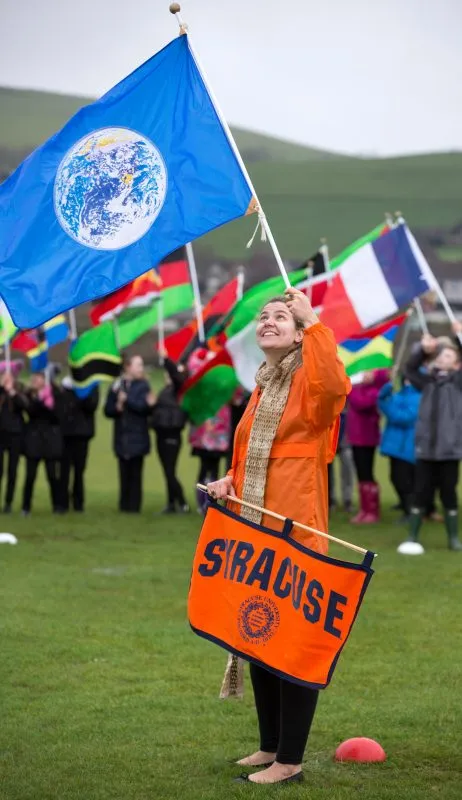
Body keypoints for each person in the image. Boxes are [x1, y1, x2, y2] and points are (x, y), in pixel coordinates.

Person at [206, 288, 350, 785]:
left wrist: (315, 323)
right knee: (259, 637)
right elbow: (251, 459)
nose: (268, 321)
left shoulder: (310, 384)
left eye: (280, 317)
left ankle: (290, 761)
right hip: (255, 534)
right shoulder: (264, 385)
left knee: (293, 648)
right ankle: (269, 746)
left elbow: (335, 386)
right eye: (264, 316)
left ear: (297, 333)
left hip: (296, 536)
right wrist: (230, 480)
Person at [404, 326, 462, 550]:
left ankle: (453, 538)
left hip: (450, 450)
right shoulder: (425, 381)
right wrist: (423, 351)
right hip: (425, 449)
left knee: (449, 492)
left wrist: (458, 336)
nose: (443, 357)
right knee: (420, 492)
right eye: (440, 354)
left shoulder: (457, 382)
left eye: (448, 355)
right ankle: (413, 535)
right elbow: (409, 368)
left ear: (456, 363)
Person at [104, 355, 154, 513]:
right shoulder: (116, 385)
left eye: (141, 365)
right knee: (123, 473)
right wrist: (117, 406)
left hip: (138, 437)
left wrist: (127, 400)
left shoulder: (144, 386)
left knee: (135, 475)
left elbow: (144, 408)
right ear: (127, 367)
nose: (141, 368)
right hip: (121, 438)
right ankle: (123, 506)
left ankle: (134, 507)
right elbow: (107, 410)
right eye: (138, 365)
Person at [187, 348, 232, 513]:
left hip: (218, 434)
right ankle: (203, 503)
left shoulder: (222, 383)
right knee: (206, 468)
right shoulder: (201, 383)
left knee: (213, 470)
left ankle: (209, 503)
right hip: (205, 435)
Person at [346, 369, 390, 524]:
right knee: (361, 473)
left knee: (366, 472)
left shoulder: (376, 390)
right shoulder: (363, 388)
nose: (365, 374)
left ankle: (371, 510)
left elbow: (360, 403)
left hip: (366, 437)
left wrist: (349, 389)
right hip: (356, 437)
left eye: (369, 372)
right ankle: (365, 509)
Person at [378, 376, 420, 522]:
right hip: (396, 446)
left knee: (405, 481)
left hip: (407, 446)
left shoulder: (418, 396)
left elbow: (402, 417)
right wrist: (383, 396)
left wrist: (388, 404)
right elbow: (386, 407)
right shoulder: (400, 394)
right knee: (397, 478)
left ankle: (411, 512)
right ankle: (406, 507)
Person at [151, 353, 189, 514]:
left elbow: (177, 377)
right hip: (161, 433)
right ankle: (171, 503)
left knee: (169, 471)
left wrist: (167, 360)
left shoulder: (178, 390)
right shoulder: (165, 391)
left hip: (172, 434)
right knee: (167, 471)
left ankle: (182, 502)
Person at [21, 373, 63, 515]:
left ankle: (57, 506)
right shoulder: (28, 395)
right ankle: (26, 507)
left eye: (38, 378)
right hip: (33, 440)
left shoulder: (56, 394)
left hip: (50, 441)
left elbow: (57, 417)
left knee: (52, 476)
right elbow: (30, 412)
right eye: (33, 378)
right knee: (30, 476)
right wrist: (40, 400)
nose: (34, 380)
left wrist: (49, 402)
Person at [59, 378, 99, 512]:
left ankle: (78, 502)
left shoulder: (91, 384)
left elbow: (92, 406)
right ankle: (62, 503)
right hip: (65, 432)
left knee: (79, 470)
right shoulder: (64, 385)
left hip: (82, 433)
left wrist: (81, 391)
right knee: (64, 470)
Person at [0, 372, 28, 512]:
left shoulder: (19, 390)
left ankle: (8, 503)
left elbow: (24, 406)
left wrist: (12, 391)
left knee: (12, 470)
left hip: (15, 435)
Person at [327, 406, 354, 513]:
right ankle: (330, 500)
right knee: (327, 474)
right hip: (328, 438)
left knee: (347, 471)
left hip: (346, 440)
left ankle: (347, 500)